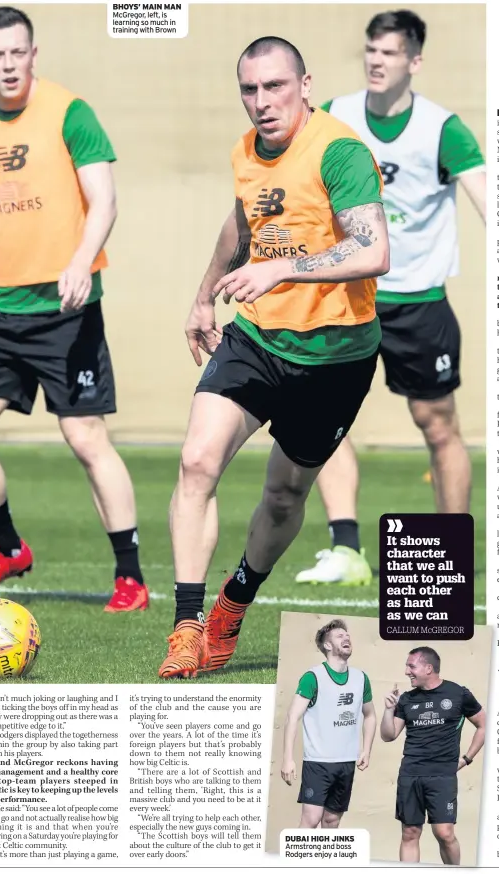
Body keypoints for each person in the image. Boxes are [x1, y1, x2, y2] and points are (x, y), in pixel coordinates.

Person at [158, 35, 390, 679]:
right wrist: (204, 297)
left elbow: (372, 250)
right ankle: (186, 626)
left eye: (276, 87)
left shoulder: (340, 152)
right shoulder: (246, 151)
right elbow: (241, 222)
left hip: (336, 357)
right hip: (257, 339)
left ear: (306, 85)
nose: (262, 102)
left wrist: (282, 267)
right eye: (250, 90)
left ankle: (233, 606)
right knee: (197, 459)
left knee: (285, 498)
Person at [0, 6, 149, 613]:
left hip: (67, 310)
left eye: (19, 52)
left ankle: (130, 576)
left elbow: (104, 200)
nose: (9, 64)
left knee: (85, 437)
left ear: (33, 53)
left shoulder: (71, 112)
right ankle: (7, 548)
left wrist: (80, 260)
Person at [296, 9, 486, 587]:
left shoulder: (442, 128)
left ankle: (450, 557)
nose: (377, 60)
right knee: (322, 416)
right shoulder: (335, 115)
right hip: (349, 295)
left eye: (391, 52)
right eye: (371, 50)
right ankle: (346, 548)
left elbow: (486, 200)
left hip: (418, 302)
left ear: (414, 61)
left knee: (437, 424)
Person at [381, 646, 486, 865]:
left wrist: (467, 759)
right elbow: (388, 735)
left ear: (429, 668)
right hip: (411, 774)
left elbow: (483, 725)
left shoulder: (458, 693)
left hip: (442, 777)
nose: (406, 671)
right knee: (410, 833)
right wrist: (389, 709)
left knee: (444, 833)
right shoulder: (407, 699)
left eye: (411, 666)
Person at [281, 619, 376, 827]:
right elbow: (292, 717)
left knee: (332, 821)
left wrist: (366, 750)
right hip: (318, 763)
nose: (347, 637)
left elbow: (370, 715)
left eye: (347, 634)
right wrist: (288, 759)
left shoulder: (361, 678)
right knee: (311, 819)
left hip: (346, 763)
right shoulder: (313, 677)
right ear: (327, 645)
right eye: (339, 635)